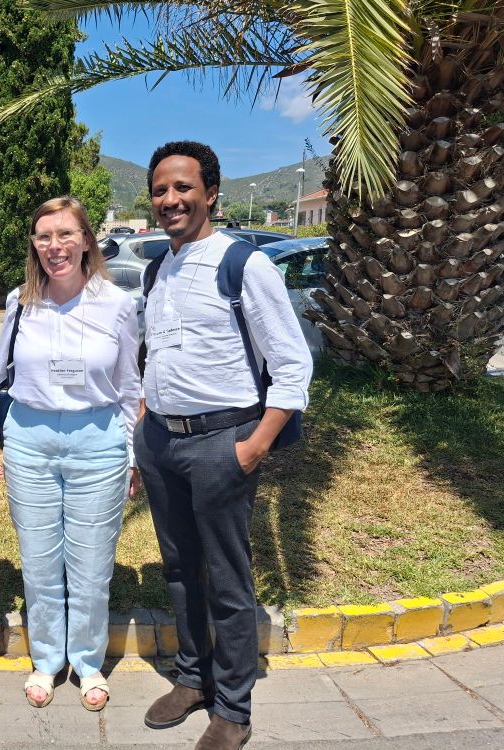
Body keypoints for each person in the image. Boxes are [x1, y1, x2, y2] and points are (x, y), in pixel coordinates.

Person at [135, 141, 312, 750]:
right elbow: (154, 354)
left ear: (211, 192)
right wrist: (143, 421)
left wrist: (256, 445)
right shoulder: (158, 269)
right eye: (160, 190)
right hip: (160, 440)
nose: (170, 200)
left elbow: (292, 363)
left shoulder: (244, 264)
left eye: (183, 188)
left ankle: (233, 709)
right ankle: (192, 679)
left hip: (223, 443)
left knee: (230, 581)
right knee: (181, 569)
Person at [0, 196, 140, 712]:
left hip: (97, 442)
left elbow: (128, 387)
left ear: (86, 240)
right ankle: (48, 659)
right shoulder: (19, 302)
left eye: (65, 234)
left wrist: (133, 453)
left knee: (93, 564)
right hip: (30, 439)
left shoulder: (118, 305)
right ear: (34, 244)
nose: (55, 246)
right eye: (44, 236)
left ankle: (89, 659)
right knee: (39, 561)